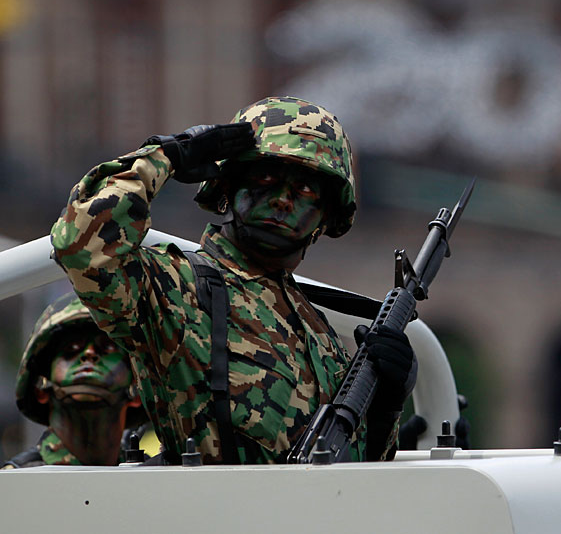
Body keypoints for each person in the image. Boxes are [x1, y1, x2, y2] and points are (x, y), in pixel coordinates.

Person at [50, 96, 415, 465]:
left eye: (305, 190)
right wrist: (164, 157)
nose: (283, 200)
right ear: (228, 188)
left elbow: (355, 463)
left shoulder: (319, 334)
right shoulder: (179, 287)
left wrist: (385, 406)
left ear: (325, 215)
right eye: (266, 178)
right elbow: (80, 247)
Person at [1, 292, 145, 468]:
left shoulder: (156, 476)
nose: (89, 353)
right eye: (71, 349)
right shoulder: (15, 480)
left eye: (107, 348)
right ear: (40, 389)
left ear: (138, 391)